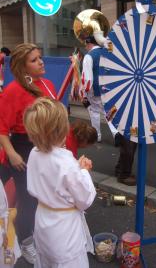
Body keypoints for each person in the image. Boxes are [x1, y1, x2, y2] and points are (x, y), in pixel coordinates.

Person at [0, 43, 57, 264]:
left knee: (44, 195)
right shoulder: (13, 91)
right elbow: (2, 128)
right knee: (28, 198)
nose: (41, 62)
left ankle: (37, 235)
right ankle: (25, 242)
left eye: (40, 58)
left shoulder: (49, 85)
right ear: (23, 67)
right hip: (21, 148)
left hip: (45, 146)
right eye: (34, 60)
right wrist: (12, 154)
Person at [23, 97, 96, 268]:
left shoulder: (34, 152)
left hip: (43, 218)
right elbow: (84, 199)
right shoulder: (67, 163)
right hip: (64, 228)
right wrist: (84, 171)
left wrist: (77, 170)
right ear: (62, 128)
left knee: (46, 259)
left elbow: (51, 178)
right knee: (67, 262)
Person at [78, 36, 118, 143]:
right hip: (109, 88)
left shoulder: (89, 56)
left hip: (95, 90)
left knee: (94, 111)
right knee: (108, 111)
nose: (85, 47)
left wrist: (84, 92)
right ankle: (116, 133)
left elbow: (88, 78)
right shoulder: (106, 52)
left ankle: (97, 136)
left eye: (86, 44)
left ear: (89, 43)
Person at [0, 179, 21, 267]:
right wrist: (2, 234)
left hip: (5, 226)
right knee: (6, 260)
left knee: (7, 258)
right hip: (3, 231)